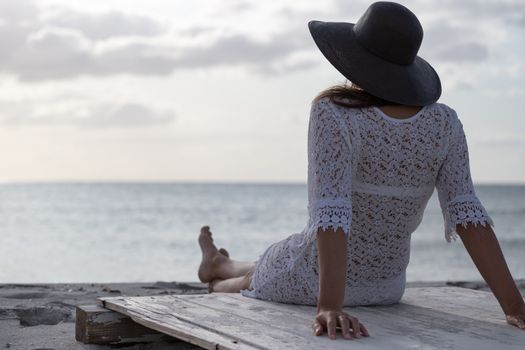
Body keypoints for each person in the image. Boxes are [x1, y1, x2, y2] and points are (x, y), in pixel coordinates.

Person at [197, 1, 525, 341]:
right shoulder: (446, 123)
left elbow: (331, 211)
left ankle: (217, 276)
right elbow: (468, 217)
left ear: (356, 59)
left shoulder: (335, 111)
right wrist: (515, 306)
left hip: (317, 280)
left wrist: (329, 305)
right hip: (386, 287)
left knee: (263, 273)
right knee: (275, 260)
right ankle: (216, 263)